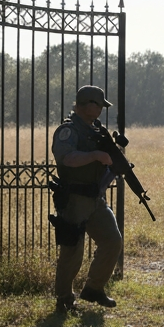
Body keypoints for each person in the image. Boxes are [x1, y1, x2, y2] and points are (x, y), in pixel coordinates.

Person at [51, 85, 125, 313]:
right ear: (88, 105)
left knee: (112, 241)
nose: (101, 109)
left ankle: (94, 288)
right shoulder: (69, 131)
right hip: (74, 198)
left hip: (95, 197)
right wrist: (94, 155)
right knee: (73, 252)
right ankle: (64, 298)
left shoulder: (97, 131)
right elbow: (67, 159)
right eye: (100, 104)